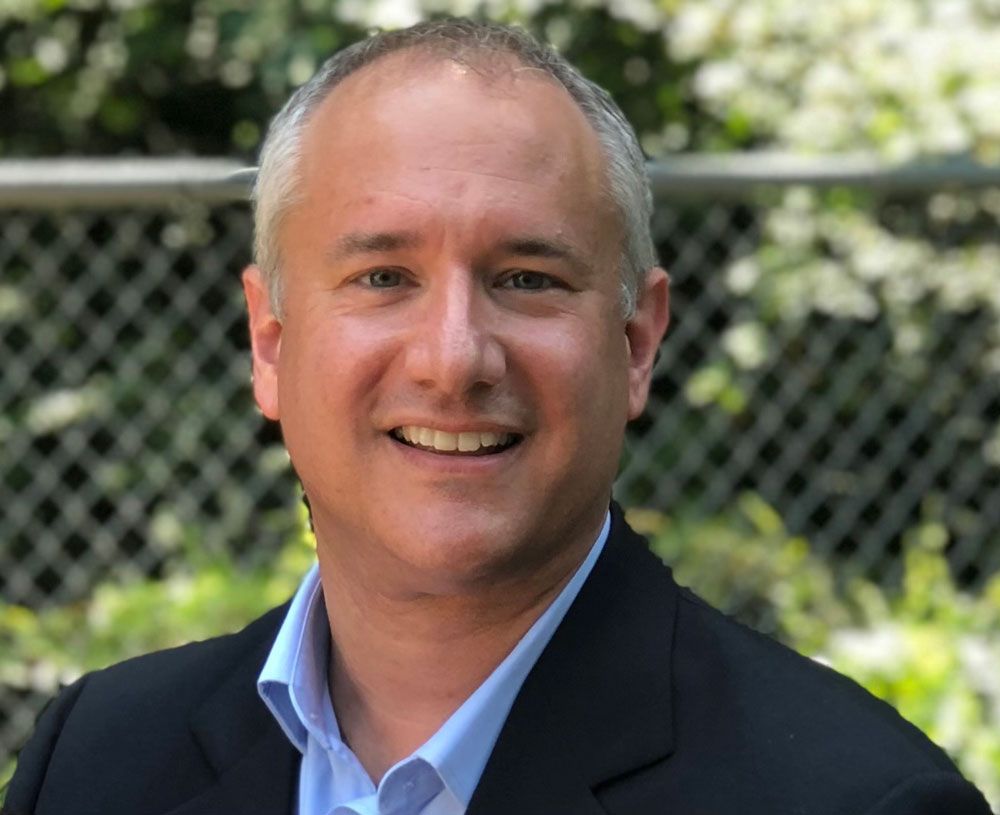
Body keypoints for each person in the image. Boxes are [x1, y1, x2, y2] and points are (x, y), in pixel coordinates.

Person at [3, 18, 991, 815]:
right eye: (383, 277)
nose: (452, 358)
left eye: (527, 279)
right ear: (270, 342)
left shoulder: (854, 797)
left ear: (637, 341)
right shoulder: (96, 759)